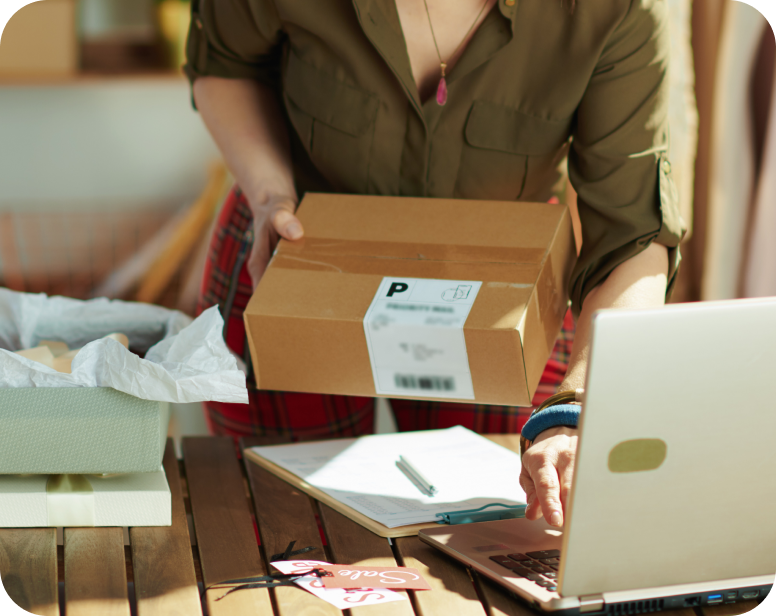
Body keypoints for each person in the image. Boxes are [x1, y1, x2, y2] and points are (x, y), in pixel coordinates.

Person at [185, 0, 685, 530]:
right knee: (285, 529)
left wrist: (579, 406)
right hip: (291, 261)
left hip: (501, 298)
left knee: (498, 532)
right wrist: (268, 193)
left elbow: (630, 235)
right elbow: (225, 63)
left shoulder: (619, 9)